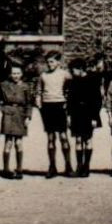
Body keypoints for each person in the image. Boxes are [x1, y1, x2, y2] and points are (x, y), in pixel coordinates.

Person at [36, 50, 72, 178]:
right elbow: (38, 92)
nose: (49, 64)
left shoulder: (65, 74)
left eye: (52, 61)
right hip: (47, 107)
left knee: (63, 137)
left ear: (58, 62)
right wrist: (39, 104)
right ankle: (52, 167)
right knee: (51, 138)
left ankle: (68, 166)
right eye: (48, 62)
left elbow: (71, 89)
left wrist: (68, 102)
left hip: (60, 106)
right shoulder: (43, 75)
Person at [66, 58, 104, 178]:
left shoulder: (92, 80)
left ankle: (87, 166)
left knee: (87, 139)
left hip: (89, 113)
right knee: (78, 140)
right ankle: (79, 166)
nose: (72, 73)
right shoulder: (72, 82)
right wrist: (69, 116)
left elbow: (97, 100)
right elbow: (70, 101)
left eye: (74, 70)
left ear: (80, 69)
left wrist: (94, 117)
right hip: (76, 113)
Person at [0, 62, 33, 179]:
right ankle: (6, 169)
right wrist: (3, 109)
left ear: (22, 74)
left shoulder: (25, 86)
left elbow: (29, 103)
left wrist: (28, 116)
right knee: (8, 142)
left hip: (20, 114)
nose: (16, 75)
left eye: (18, 73)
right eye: (13, 73)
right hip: (8, 114)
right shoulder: (4, 85)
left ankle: (19, 169)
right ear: (10, 74)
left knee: (18, 142)